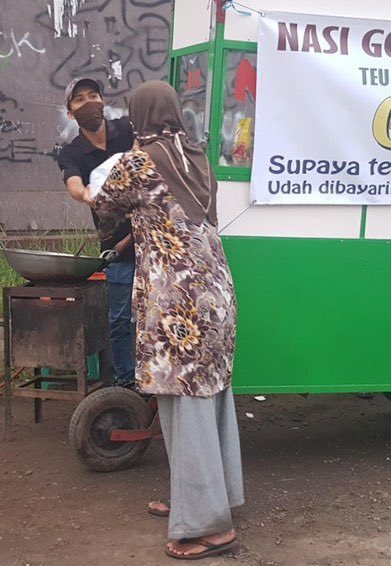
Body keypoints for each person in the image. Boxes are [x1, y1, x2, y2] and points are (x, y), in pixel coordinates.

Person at [88, 80, 243, 560]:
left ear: (139, 116)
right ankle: (207, 501)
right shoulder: (196, 157)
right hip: (216, 294)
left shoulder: (138, 163)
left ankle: (209, 527)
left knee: (185, 405)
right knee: (209, 399)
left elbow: (103, 208)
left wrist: (87, 185)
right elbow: (178, 217)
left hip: (178, 302)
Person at [57, 78, 137, 388]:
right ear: (71, 113)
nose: (89, 103)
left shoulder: (127, 130)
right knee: (120, 319)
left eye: (93, 95)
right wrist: (86, 194)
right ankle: (127, 384)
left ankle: (156, 380)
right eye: (79, 99)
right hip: (117, 247)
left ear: (103, 101)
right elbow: (73, 183)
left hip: (155, 242)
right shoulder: (72, 152)